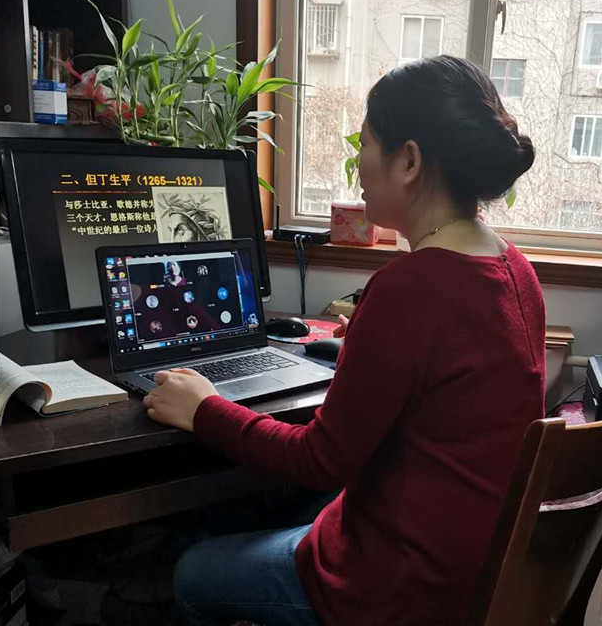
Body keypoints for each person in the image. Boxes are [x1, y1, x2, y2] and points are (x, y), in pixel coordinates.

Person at [144, 56, 545, 626]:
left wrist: (204, 408)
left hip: (402, 589)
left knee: (192, 571)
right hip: (468, 563)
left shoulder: (412, 288)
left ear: (409, 161)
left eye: (367, 142)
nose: (359, 163)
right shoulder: (514, 267)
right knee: (289, 510)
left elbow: (317, 460)